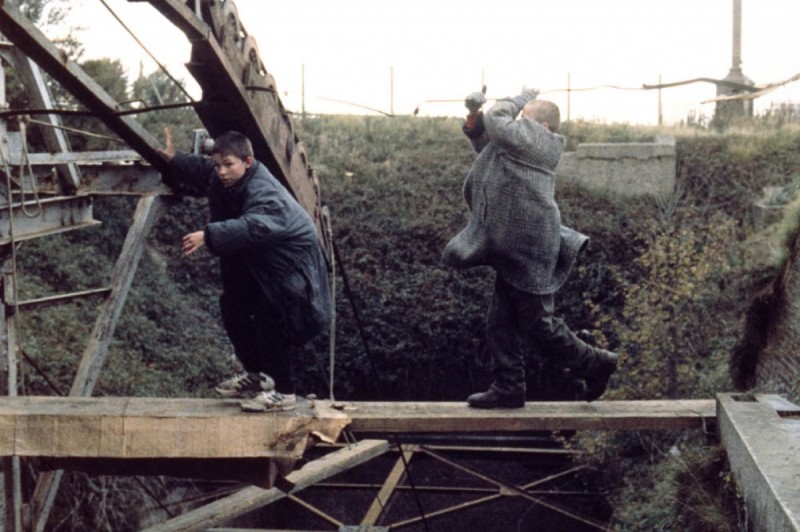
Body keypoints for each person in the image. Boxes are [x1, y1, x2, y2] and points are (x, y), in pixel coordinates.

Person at [442, 88, 618, 408]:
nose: (518, 120)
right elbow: (486, 142)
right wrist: (474, 115)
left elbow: (498, 118)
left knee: (539, 326)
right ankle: (508, 386)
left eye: (524, 117)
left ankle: (596, 362)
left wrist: (518, 98)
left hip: (530, 248)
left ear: (543, 127)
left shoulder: (540, 143)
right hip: (516, 247)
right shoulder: (519, 143)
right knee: (500, 324)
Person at [158, 129, 332, 412]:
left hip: (288, 265)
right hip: (260, 259)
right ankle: (256, 375)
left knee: (269, 320)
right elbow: (204, 172)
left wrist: (208, 235)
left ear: (248, 162)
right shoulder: (228, 177)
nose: (221, 171)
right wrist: (174, 157)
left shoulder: (265, 191)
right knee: (233, 307)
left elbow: (256, 226)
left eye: (228, 165)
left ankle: (284, 393)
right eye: (218, 164)